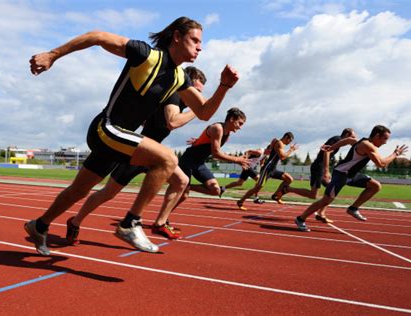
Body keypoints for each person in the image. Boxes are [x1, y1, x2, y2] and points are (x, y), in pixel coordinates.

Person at [25, 17, 239, 255]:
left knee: (79, 191)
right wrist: (53, 55)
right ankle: (130, 223)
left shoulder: (179, 78)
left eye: (201, 43)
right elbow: (97, 36)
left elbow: (204, 112)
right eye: (195, 40)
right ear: (177, 37)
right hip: (105, 128)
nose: (200, 47)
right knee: (167, 159)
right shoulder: (146, 55)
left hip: (120, 138)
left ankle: (39, 225)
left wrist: (224, 87)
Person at [65, 66, 206, 245]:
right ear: (188, 84)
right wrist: (197, 110)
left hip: (155, 155)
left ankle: (160, 223)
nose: (198, 97)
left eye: (201, 93)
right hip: (138, 152)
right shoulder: (175, 95)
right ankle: (75, 221)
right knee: (108, 193)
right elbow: (173, 121)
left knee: (182, 182)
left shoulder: (177, 100)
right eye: (197, 91)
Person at [294, 125, 408, 232]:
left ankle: (353, 208)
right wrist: (395, 154)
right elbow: (381, 164)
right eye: (385, 139)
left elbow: (347, 140)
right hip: (341, 174)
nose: (385, 142)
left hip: (351, 175)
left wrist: (332, 147)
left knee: (375, 186)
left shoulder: (361, 141)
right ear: (377, 136)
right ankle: (300, 219)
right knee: (326, 200)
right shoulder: (368, 146)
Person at [170, 108, 250, 219]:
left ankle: (187, 187)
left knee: (215, 190)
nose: (240, 127)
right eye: (240, 123)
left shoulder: (226, 135)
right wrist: (237, 160)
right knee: (184, 196)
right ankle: (164, 218)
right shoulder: (218, 128)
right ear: (232, 119)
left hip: (199, 163)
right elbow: (216, 154)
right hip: (188, 161)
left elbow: (211, 146)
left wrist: (198, 141)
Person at [278, 128, 357, 223]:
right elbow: (326, 152)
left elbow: (325, 149)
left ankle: (321, 213)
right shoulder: (337, 139)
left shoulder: (337, 141)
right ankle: (288, 189)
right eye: (353, 137)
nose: (354, 139)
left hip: (320, 167)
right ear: (347, 134)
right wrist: (326, 171)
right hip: (319, 167)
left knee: (329, 190)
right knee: (316, 194)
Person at [236, 132, 298, 211]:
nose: (290, 143)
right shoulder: (279, 143)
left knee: (289, 179)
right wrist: (291, 150)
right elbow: (282, 157)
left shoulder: (277, 141)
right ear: (286, 137)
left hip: (273, 169)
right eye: (290, 140)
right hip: (267, 169)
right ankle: (240, 201)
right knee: (257, 188)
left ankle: (276, 195)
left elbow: (272, 146)